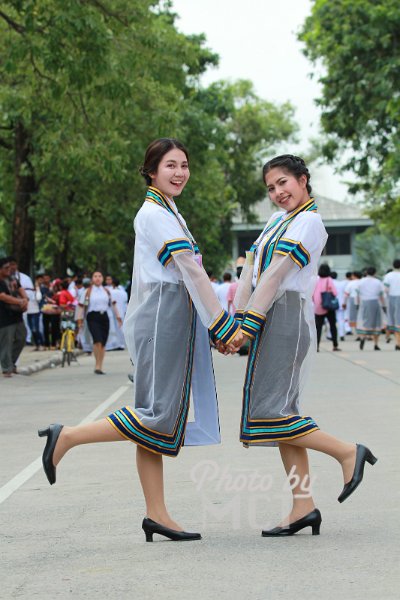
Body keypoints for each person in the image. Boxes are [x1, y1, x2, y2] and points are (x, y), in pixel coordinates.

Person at [38, 138, 242, 542]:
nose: (180, 172)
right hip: (164, 314)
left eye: (184, 164)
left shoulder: (170, 211)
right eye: (170, 165)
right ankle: (69, 436)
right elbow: (190, 270)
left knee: (156, 415)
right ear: (151, 171)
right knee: (159, 415)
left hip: (174, 313)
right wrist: (222, 324)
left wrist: (210, 324)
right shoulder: (154, 214)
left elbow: (190, 275)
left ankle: (157, 514)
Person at [228, 154, 376, 536]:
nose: (278, 192)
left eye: (283, 183)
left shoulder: (309, 222)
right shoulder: (278, 220)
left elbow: (276, 275)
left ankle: (346, 451)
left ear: (303, 179)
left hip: (286, 318)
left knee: (271, 413)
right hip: (267, 317)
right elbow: (250, 268)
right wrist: (235, 318)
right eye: (271, 188)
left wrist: (245, 324)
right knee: (282, 413)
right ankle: (303, 506)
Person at [76, 271, 122, 374]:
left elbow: (113, 305)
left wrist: (118, 317)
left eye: (100, 276)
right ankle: (97, 365)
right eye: (95, 276)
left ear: (102, 278)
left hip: (104, 317)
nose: (97, 278)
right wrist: (79, 320)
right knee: (97, 340)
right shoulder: (87, 291)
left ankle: (100, 365)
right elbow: (81, 307)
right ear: (92, 278)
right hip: (92, 317)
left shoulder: (107, 291)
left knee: (103, 343)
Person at [0, 257, 28, 376]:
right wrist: (19, 302)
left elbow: (21, 289)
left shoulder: (12, 278)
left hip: (17, 314)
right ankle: (7, 368)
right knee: (6, 342)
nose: (9, 269)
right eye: (6, 267)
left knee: (22, 337)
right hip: (4, 316)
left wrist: (25, 299)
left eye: (10, 266)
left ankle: (10, 362)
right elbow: (2, 296)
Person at [356, 266, 386, 350]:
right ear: (375, 273)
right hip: (375, 302)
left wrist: (357, 304)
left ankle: (362, 338)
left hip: (364, 302)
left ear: (366, 273)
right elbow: (381, 295)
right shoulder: (378, 282)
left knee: (365, 321)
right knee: (376, 323)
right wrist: (384, 306)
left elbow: (357, 295)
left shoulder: (361, 282)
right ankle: (375, 344)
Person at [312, 263, 340, 352]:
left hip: (318, 307)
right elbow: (335, 293)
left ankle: (317, 346)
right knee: (332, 326)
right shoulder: (329, 280)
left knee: (318, 327)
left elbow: (312, 293)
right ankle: (335, 345)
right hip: (328, 306)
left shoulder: (316, 280)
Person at [383, 259, 400, 350]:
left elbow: (385, 289)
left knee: (394, 321)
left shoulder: (388, 276)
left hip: (392, 298)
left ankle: (397, 343)